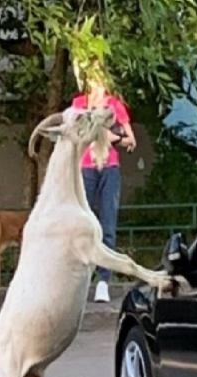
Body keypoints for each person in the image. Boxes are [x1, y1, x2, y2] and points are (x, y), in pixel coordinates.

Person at [71, 66, 136, 303]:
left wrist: (113, 137)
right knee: (83, 223)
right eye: (93, 76)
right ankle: (81, 279)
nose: (97, 82)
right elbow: (72, 132)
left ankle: (103, 281)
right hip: (85, 167)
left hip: (108, 167)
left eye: (100, 76)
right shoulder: (79, 104)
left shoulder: (114, 106)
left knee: (107, 223)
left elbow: (131, 140)